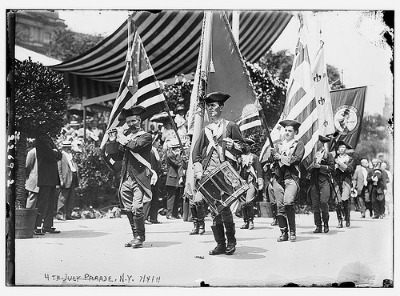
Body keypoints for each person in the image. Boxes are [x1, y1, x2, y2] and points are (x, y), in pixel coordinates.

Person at [192, 91, 245, 255]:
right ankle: (220, 244)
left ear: (221, 107)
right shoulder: (205, 131)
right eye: (208, 106)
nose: (210, 109)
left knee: (225, 208)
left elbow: (244, 147)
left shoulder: (230, 126)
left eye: (214, 106)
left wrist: (233, 146)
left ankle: (231, 242)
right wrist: (199, 171)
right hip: (209, 174)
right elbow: (196, 155)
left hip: (226, 173)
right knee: (215, 210)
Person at [105, 106, 155, 248]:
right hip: (126, 178)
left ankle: (140, 236)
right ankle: (135, 236)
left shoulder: (146, 136)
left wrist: (121, 138)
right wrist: (112, 141)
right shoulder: (126, 138)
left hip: (139, 177)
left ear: (139, 120)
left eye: (134, 121)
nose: (131, 124)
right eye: (129, 122)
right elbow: (116, 155)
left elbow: (135, 146)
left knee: (137, 207)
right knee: (128, 209)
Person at [268, 119, 305, 242]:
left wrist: (281, 157)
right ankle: (283, 232)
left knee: (288, 202)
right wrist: (272, 154)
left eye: (290, 131)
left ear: (295, 132)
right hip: (278, 178)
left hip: (291, 177)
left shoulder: (298, 144)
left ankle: (293, 231)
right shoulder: (278, 144)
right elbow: (271, 160)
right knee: (280, 205)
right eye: (286, 131)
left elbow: (297, 159)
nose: (287, 133)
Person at [34, 135, 63, 235]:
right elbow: (50, 155)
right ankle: (36, 226)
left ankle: (47, 225)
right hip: (45, 176)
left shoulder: (48, 139)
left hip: (51, 177)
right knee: (42, 202)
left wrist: (55, 152)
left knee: (50, 203)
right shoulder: (41, 139)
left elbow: (60, 155)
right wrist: (55, 152)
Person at [307, 135, 335, 233]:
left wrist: (320, 166)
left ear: (322, 144)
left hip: (324, 181)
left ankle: (326, 223)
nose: (317, 144)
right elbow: (308, 169)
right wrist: (313, 166)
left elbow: (332, 168)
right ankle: (318, 225)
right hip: (314, 181)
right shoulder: (313, 154)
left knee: (323, 202)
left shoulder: (328, 155)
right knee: (315, 205)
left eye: (319, 143)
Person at [238, 138, 263, 230]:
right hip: (241, 182)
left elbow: (259, 170)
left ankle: (251, 221)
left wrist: (260, 182)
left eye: (246, 145)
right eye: (243, 145)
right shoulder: (238, 157)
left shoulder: (254, 157)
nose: (244, 147)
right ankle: (245, 221)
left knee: (249, 201)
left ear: (250, 147)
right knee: (243, 203)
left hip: (251, 181)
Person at [332, 140, 355, 228]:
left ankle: (347, 218)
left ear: (346, 149)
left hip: (346, 181)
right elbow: (331, 170)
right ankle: (339, 221)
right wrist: (334, 167)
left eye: (344, 147)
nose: (342, 149)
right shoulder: (335, 159)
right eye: (340, 147)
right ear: (338, 149)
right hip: (337, 181)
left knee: (345, 200)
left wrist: (340, 164)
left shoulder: (350, 158)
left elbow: (350, 169)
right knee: (337, 202)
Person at [56, 140, 79, 220]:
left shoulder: (70, 156)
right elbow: (59, 168)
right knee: (63, 197)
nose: (69, 149)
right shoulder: (61, 156)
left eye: (69, 147)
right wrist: (61, 180)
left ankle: (68, 214)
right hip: (66, 178)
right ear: (64, 148)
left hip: (72, 176)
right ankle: (60, 214)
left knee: (71, 197)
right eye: (68, 148)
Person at [165, 142, 186, 219]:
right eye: (178, 148)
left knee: (177, 196)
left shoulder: (176, 155)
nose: (179, 149)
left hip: (176, 178)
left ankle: (175, 213)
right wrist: (179, 156)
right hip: (172, 178)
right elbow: (177, 164)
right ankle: (169, 213)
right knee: (171, 197)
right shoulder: (170, 155)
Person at [143, 145, 161, 224]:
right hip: (149, 176)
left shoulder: (153, 150)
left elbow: (157, 163)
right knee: (148, 196)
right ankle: (145, 217)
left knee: (154, 197)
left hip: (154, 175)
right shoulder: (148, 151)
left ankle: (153, 218)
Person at [25, 139, 39, 209]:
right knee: (32, 198)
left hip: (40, 180)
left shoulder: (42, 151)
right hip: (34, 178)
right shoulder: (32, 152)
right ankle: (27, 216)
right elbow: (28, 165)